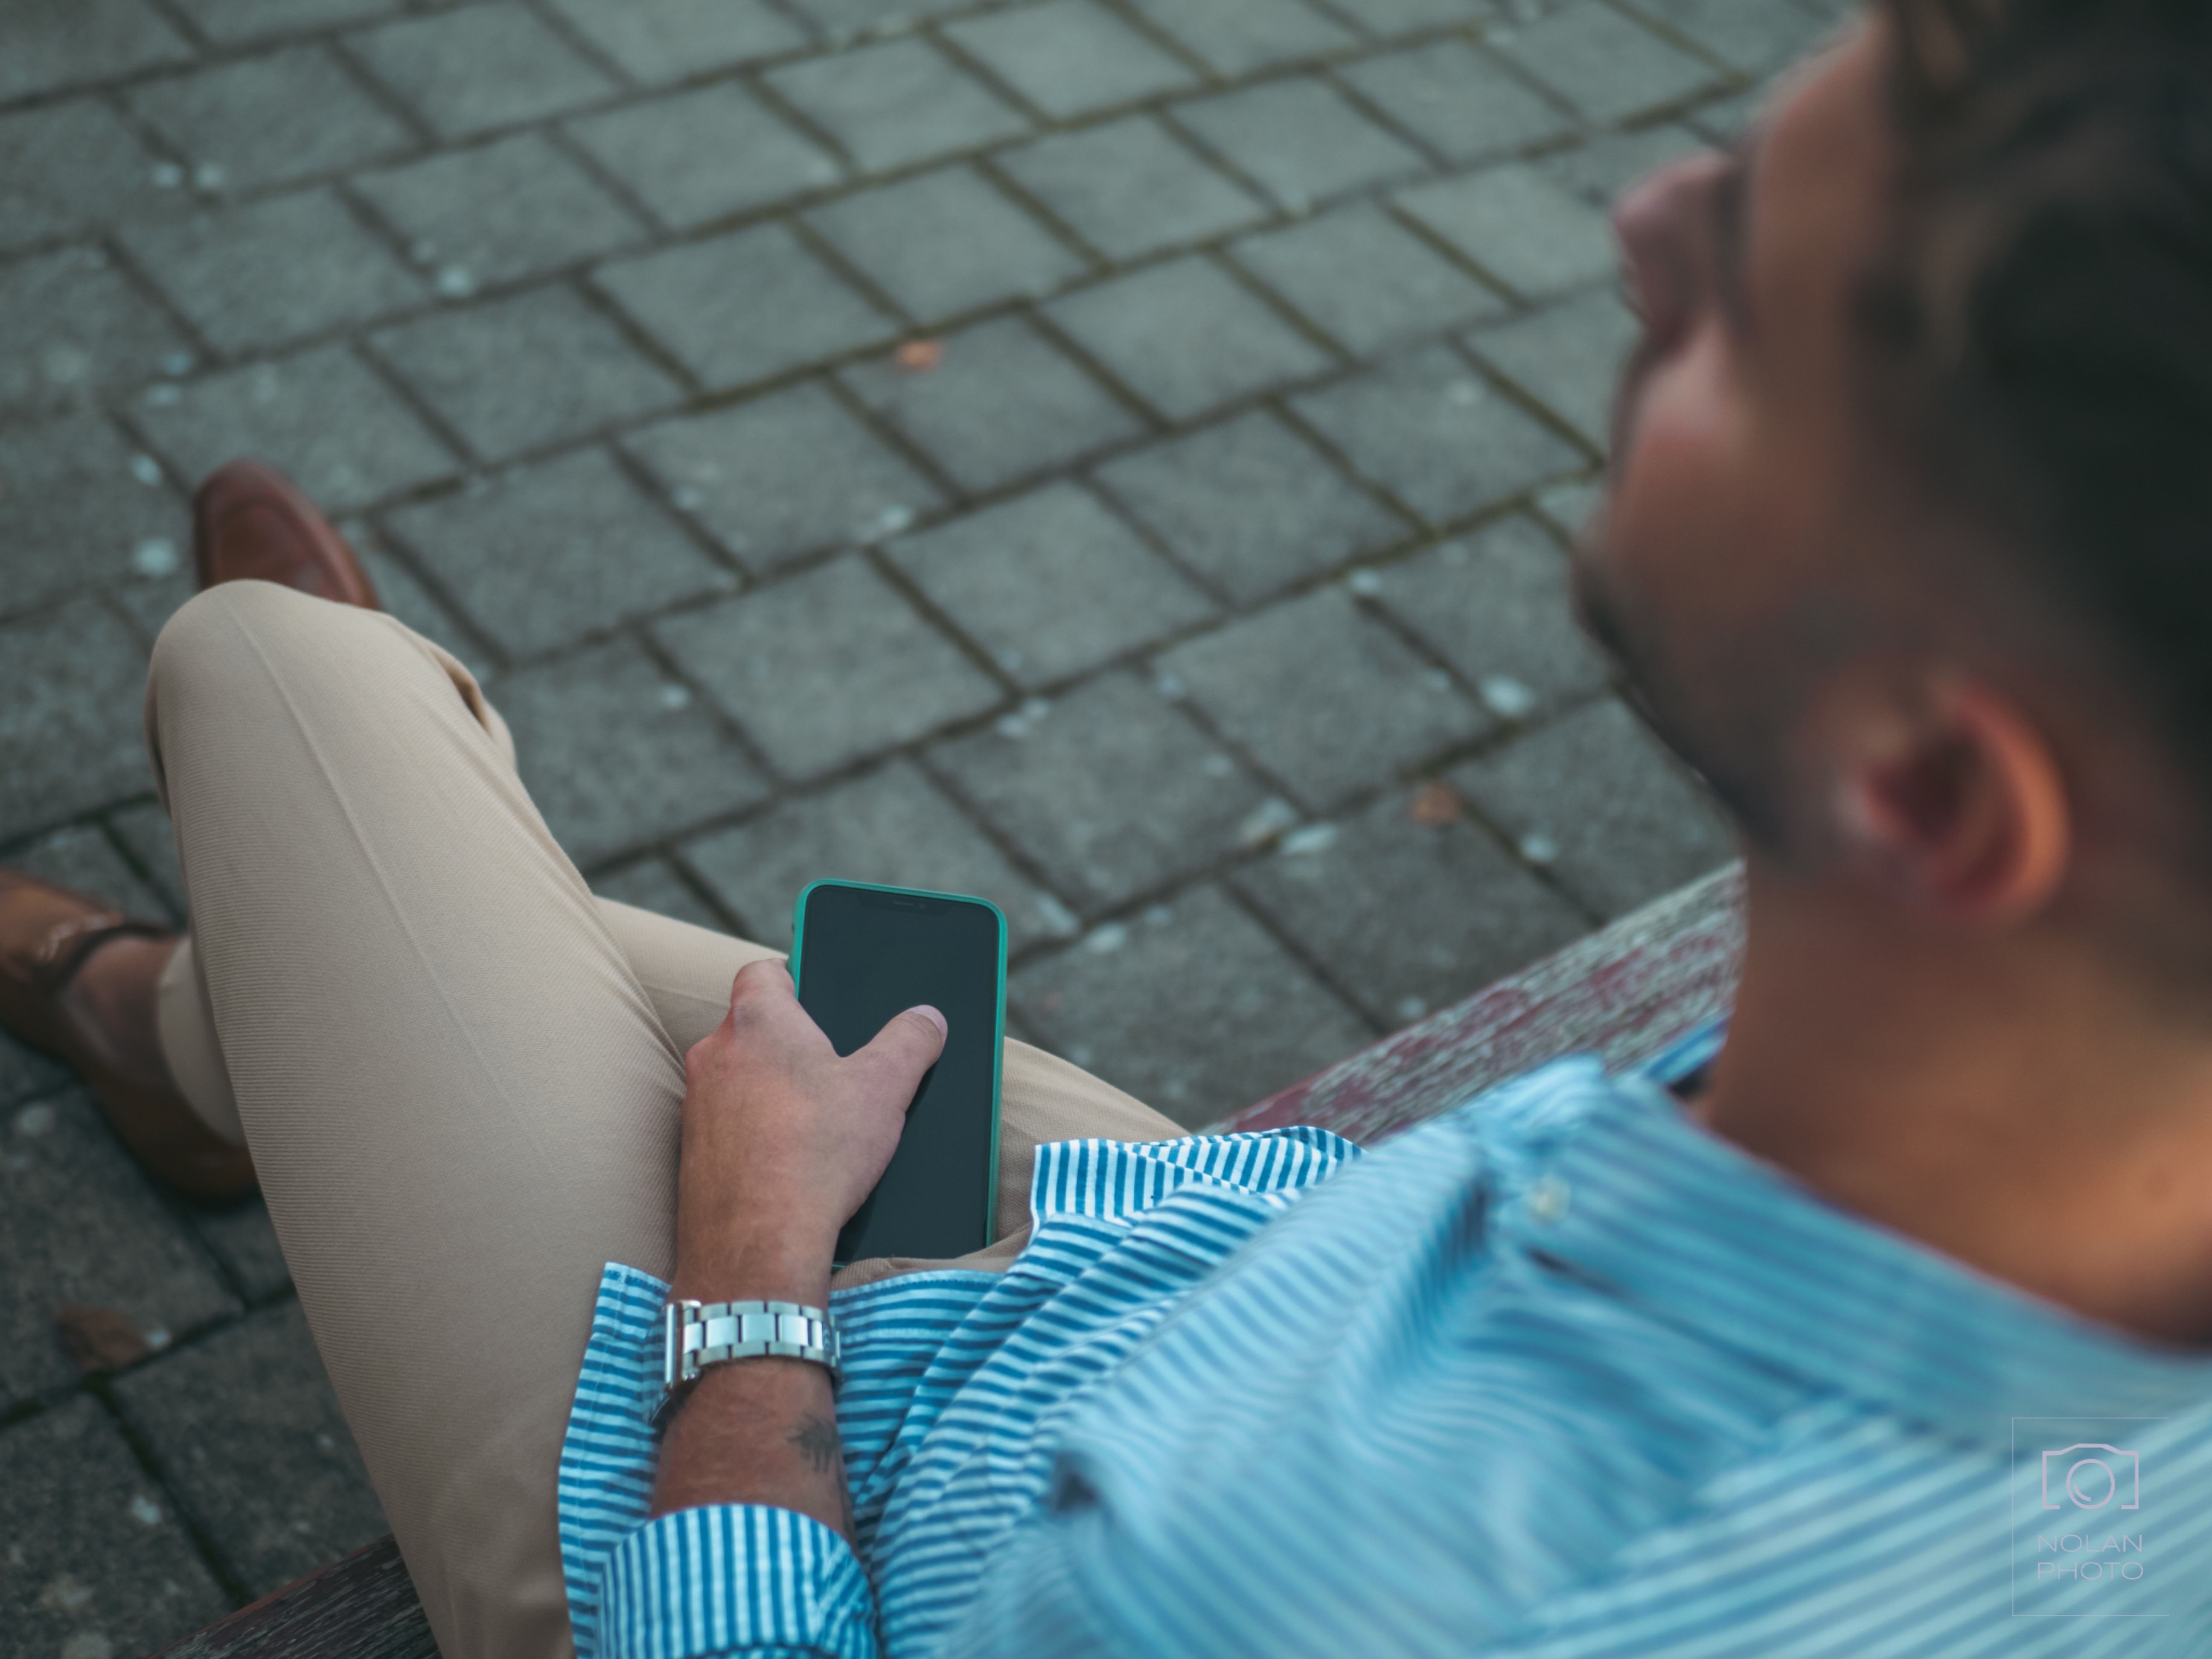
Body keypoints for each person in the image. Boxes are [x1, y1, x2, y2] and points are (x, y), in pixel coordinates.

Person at [6, 0, 2212, 1652]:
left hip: (807, 1534)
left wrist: (757, 1281)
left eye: (1747, 296)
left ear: (1926, 791)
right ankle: (241, 1005)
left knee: (280, 680)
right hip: (1227, 1284)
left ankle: (238, 960)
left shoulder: (1351, 1573)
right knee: (435, 932)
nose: (1640, 229)